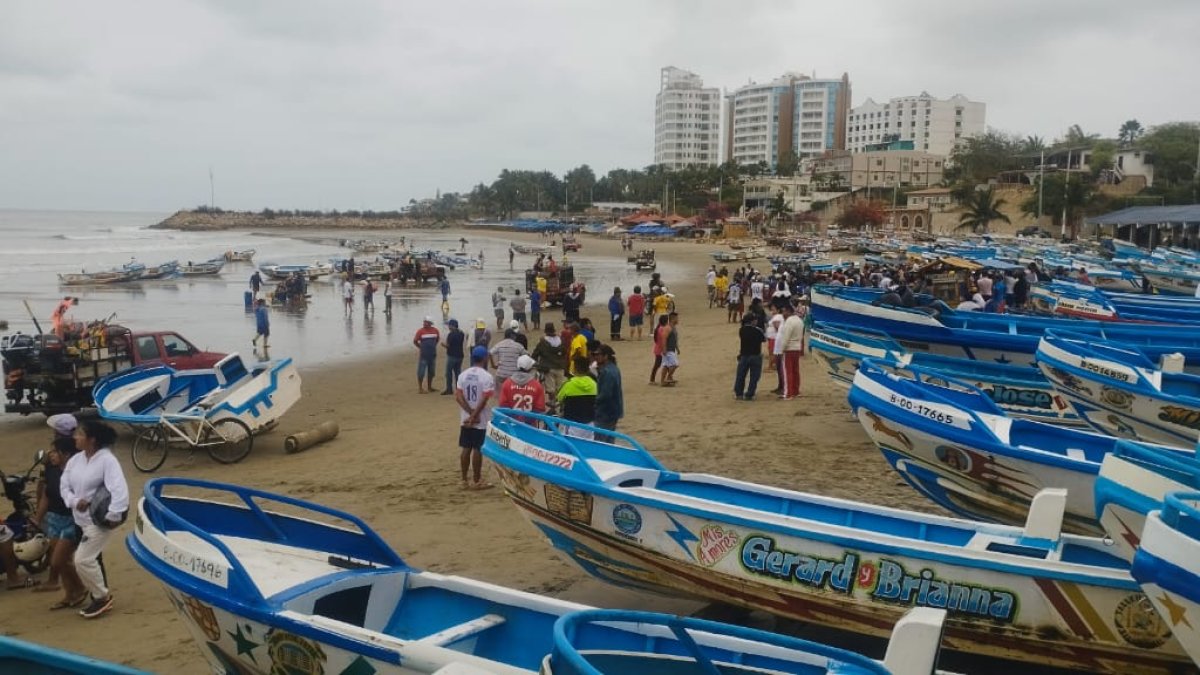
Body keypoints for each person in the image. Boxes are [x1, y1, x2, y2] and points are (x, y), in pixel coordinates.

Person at [61, 420, 129, 619]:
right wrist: (73, 501)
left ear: (92, 440)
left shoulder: (107, 460)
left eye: (79, 434)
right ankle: (97, 594)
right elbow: (65, 485)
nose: (75, 437)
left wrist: (114, 515)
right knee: (91, 558)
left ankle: (102, 596)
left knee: (82, 559)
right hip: (78, 518)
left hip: (99, 520)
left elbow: (119, 489)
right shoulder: (75, 460)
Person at [37, 416, 88, 608]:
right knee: (62, 560)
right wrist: (39, 517)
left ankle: (81, 588)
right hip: (54, 517)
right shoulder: (50, 466)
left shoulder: (76, 466)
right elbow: (46, 492)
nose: (52, 454)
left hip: (70, 519)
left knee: (58, 560)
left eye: (55, 451)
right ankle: (70, 594)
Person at [455, 347, 495, 490]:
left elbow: (458, 397)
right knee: (478, 448)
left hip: (465, 417)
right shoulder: (486, 377)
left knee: (466, 447)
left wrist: (469, 413)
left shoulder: (463, 375)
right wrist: (475, 415)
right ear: (484, 358)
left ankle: (464, 479)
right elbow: (484, 399)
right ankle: (477, 480)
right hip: (481, 418)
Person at [558, 356, 597, 440]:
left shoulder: (569, 384)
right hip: (589, 425)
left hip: (572, 424)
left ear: (575, 368)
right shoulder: (594, 384)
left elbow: (559, 399)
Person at [498, 355, 546, 423]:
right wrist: (526, 421)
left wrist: (513, 420)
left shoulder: (507, 383)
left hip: (510, 425)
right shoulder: (537, 385)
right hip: (529, 427)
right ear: (530, 368)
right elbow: (539, 409)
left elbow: (503, 406)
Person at [532, 323, 566, 410]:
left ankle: (553, 404)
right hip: (560, 367)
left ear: (546, 331)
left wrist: (535, 363)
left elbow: (535, 354)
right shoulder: (560, 340)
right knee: (560, 387)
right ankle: (561, 404)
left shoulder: (543, 342)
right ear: (554, 329)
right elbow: (565, 352)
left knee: (551, 388)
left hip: (548, 368)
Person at [774, 303, 803, 400]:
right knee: (795, 370)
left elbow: (786, 338)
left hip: (789, 348)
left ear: (788, 311)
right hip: (797, 348)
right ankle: (795, 391)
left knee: (787, 372)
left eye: (784, 311)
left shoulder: (789, 322)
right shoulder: (799, 320)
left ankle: (788, 393)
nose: (782, 313)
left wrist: (782, 349)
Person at [593, 344, 623, 435]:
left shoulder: (607, 372)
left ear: (606, 356)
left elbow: (605, 394)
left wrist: (592, 402)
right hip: (613, 410)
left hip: (606, 412)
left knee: (601, 440)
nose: (596, 357)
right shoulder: (613, 368)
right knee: (609, 438)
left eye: (598, 354)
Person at [735, 313, 766, 401]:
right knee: (754, 377)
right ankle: (750, 393)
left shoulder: (741, 330)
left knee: (741, 375)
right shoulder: (758, 330)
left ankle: (739, 393)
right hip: (755, 355)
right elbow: (764, 339)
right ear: (752, 321)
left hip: (744, 355)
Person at [412, 316, 440, 394]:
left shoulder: (435, 331)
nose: (424, 323)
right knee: (421, 372)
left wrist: (433, 346)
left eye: (426, 322)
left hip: (432, 355)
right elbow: (415, 341)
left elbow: (437, 339)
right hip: (424, 355)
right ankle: (420, 388)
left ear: (430, 323)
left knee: (431, 372)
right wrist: (420, 347)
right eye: (424, 322)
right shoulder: (420, 331)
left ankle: (429, 387)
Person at [441, 319, 465, 395]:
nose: (448, 326)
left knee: (448, 373)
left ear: (452, 326)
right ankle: (459, 389)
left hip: (452, 356)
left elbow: (448, 345)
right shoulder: (461, 333)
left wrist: (443, 344)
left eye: (449, 325)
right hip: (460, 355)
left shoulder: (451, 334)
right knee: (458, 372)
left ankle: (449, 389)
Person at [661, 312, 680, 386]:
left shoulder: (674, 327)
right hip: (668, 350)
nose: (678, 320)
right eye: (677, 318)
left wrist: (677, 348)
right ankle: (669, 377)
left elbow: (675, 339)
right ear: (673, 319)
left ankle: (663, 381)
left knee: (666, 365)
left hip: (672, 349)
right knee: (675, 364)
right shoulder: (668, 328)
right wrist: (664, 349)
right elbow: (664, 338)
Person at [649, 314, 669, 384]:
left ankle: (653, 379)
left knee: (660, 364)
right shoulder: (661, 329)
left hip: (659, 349)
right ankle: (652, 379)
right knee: (658, 364)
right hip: (660, 349)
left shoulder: (659, 328)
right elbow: (663, 339)